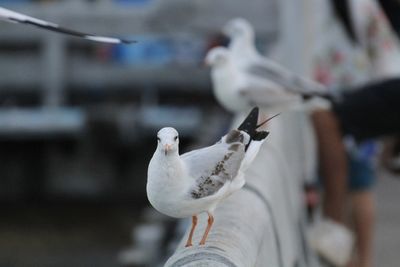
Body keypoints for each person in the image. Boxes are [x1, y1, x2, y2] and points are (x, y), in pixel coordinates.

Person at [308, 1, 400, 266]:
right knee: (361, 181)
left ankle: (335, 228)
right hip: (370, 82)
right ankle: (356, 255)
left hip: (364, 81)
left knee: (326, 120)